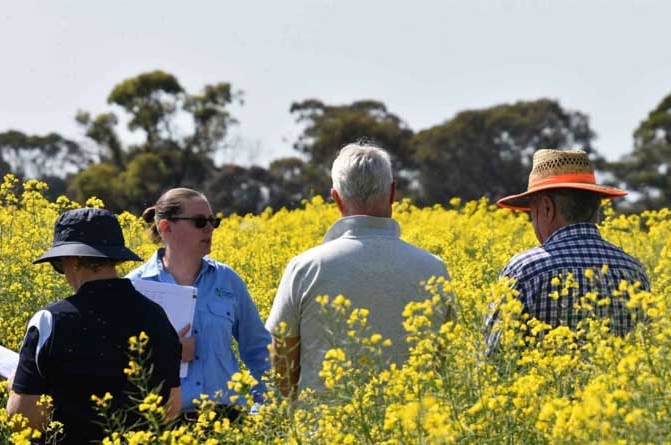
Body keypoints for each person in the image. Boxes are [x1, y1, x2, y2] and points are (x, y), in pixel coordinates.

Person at [265, 143, 450, 398]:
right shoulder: (434, 268)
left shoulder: (305, 268)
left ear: (336, 198)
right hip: (416, 426)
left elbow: (282, 368)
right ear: (393, 192)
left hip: (322, 432)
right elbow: (441, 363)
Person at [7, 208, 182, 444]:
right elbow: (170, 408)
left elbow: (24, 421)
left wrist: (14, 387)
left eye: (59, 264)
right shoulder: (157, 316)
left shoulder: (50, 321)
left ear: (73, 260)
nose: (64, 271)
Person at [483, 149, 651, 354]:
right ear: (596, 208)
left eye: (532, 213)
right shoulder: (634, 271)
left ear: (546, 208)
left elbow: (492, 356)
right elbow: (646, 352)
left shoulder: (525, 270)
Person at [126, 188, 271, 422]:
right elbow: (119, 363)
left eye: (213, 221)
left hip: (229, 420)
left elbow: (259, 350)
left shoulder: (228, 280)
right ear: (166, 228)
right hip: (165, 424)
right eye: (200, 221)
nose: (209, 228)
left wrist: (261, 410)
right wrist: (167, 354)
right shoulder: (135, 287)